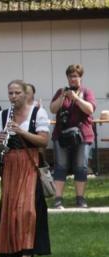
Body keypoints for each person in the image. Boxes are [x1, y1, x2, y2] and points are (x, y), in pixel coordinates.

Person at [0, 80, 51, 257]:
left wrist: (20, 131)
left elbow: (43, 141)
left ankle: (28, 253)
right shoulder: (3, 115)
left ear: (26, 94)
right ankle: (14, 249)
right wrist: (0, 138)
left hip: (30, 163)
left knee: (27, 209)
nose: (13, 96)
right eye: (10, 93)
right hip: (10, 165)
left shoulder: (37, 113)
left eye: (17, 93)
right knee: (11, 208)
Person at [49, 64, 96, 209]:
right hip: (62, 135)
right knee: (61, 166)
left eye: (75, 76)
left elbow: (89, 109)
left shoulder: (86, 92)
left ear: (80, 77)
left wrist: (75, 98)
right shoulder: (61, 92)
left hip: (83, 136)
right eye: (70, 76)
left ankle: (80, 199)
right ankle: (58, 199)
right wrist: (63, 96)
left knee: (81, 167)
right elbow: (52, 109)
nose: (72, 79)